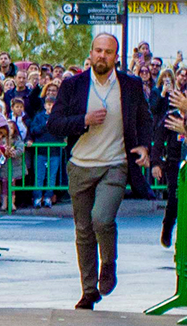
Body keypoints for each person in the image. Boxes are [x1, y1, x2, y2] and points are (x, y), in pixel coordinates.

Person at [46, 33, 152, 309]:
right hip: (80, 165)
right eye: (98, 50)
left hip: (115, 164)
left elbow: (145, 119)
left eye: (108, 52)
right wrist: (84, 119)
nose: (102, 56)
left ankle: (108, 263)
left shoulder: (130, 85)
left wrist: (143, 147)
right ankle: (89, 290)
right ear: (91, 53)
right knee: (83, 229)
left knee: (101, 219)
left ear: (116, 57)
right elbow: (54, 123)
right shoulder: (73, 86)